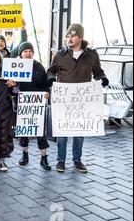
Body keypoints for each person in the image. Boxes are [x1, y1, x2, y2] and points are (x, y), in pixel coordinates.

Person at [47, 23, 108, 173]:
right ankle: (60, 161)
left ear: (80, 37)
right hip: (64, 99)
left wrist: (103, 78)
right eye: (67, 36)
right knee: (62, 132)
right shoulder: (60, 55)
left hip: (82, 100)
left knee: (79, 131)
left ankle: (77, 160)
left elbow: (98, 71)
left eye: (72, 35)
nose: (69, 38)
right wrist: (51, 79)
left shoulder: (91, 55)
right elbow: (50, 71)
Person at [16, 42, 51, 170]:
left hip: (37, 104)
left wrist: (47, 93)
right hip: (22, 103)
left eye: (30, 51)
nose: (28, 53)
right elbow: (13, 86)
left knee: (41, 132)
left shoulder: (39, 66)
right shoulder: (16, 67)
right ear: (21, 54)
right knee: (24, 131)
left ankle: (44, 158)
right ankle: (24, 155)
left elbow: (46, 84)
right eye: (25, 51)